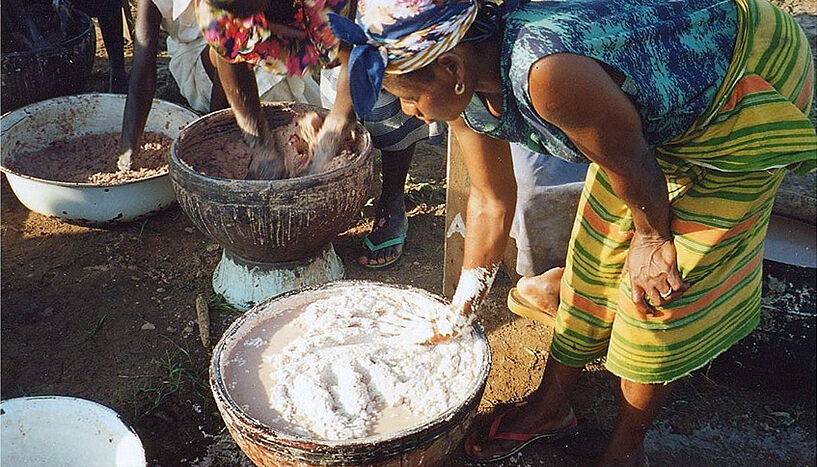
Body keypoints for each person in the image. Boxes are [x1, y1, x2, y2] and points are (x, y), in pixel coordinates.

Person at [329, 0, 816, 464]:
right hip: (635, 131)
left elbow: (635, 162)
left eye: (410, 98)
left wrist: (651, 240)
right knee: (594, 256)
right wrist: (462, 310)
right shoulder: (466, 94)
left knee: (657, 292)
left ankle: (626, 451)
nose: (412, 111)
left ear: (452, 70)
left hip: (739, 76)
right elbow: (490, 200)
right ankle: (551, 407)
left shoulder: (548, 73)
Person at [196, 0, 445, 268]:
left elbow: (359, 48)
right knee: (332, 102)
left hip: (371, 23)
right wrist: (259, 143)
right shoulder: (221, 12)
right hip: (317, 29)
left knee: (386, 105)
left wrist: (332, 134)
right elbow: (228, 52)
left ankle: (392, 198)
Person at [118, 0, 321, 169]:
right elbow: (142, 72)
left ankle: (270, 133)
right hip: (197, 61)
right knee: (229, 46)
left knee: (262, 53)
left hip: (244, 44)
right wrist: (129, 147)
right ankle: (228, 127)